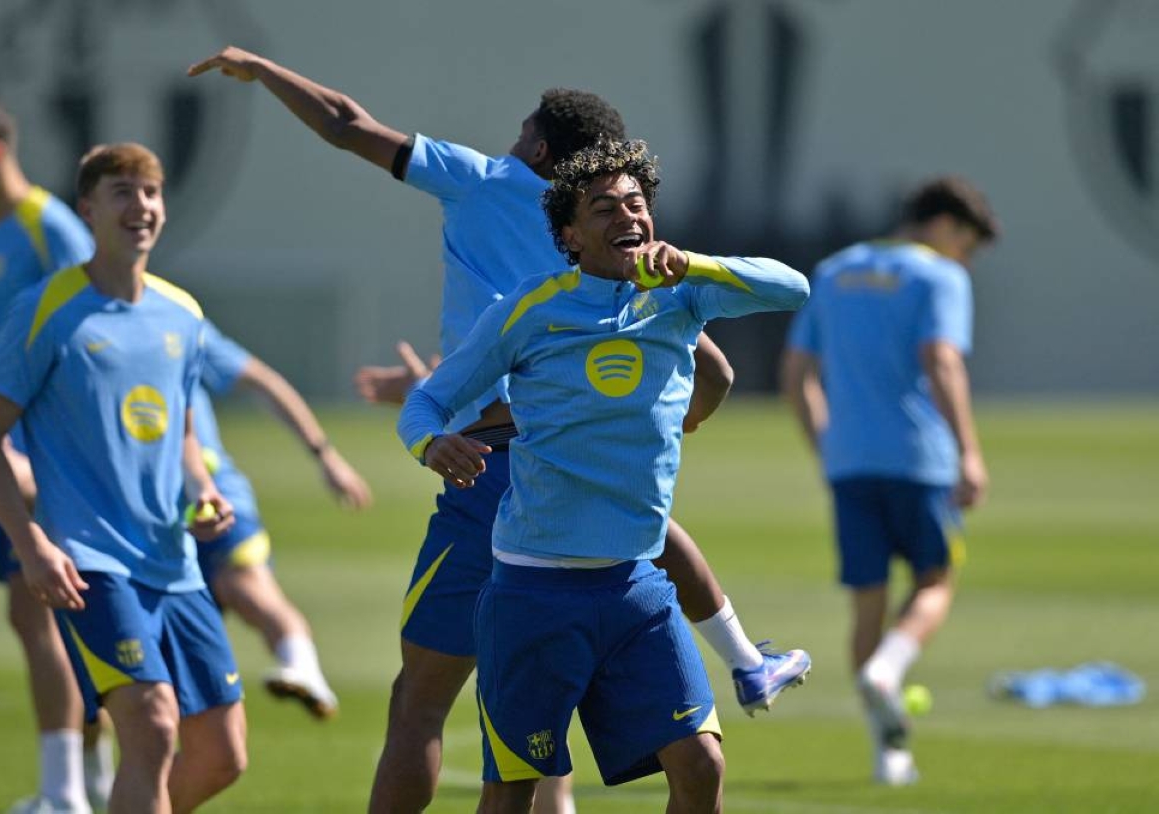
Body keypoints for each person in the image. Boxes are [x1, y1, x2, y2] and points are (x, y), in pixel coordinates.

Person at [190, 47, 811, 813]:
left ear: (541, 148)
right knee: (607, 590)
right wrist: (667, 421)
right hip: (546, 487)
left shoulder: (483, 181)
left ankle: (743, 661)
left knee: (424, 702)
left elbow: (346, 123)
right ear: (575, 223)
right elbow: (715, 370)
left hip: (493, 463)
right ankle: (745, 658)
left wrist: (262, 68)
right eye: (608, 204)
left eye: (523, 131)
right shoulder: (638, 286)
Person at [399, 138, 809, 812]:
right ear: (569, 235)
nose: (627, 216)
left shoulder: (680, 297)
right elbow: (427, 403)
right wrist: (430, 443)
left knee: (701, 765)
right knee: (511, 795)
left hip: (635, 588)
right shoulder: (531, 310)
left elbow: (792, 287)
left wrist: (694, 263)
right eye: (603, 208)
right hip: (532, 592)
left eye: (636, 203)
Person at [0, 142, 248, 814]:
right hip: (90, 563)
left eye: (150, 193)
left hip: (175, 563)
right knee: (151, 727)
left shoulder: (183, 313)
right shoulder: (46, 309)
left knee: (221, 754)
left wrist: (203, 491)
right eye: (122, 192)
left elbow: (182, 431)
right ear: (87, 210)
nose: (140, 206)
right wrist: (32, 544)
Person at [780, 176, 999, 786]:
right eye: (967, 245)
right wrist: (969, 452)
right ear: (947, 226)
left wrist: (826, 447)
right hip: (919, 458)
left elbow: (796, 372)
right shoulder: (939, 276)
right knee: (935, 579)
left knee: (867, 606)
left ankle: (890, 755)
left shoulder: (834, 271)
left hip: (849, 462)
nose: (965, 260)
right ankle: (889, 669)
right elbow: (941, 359)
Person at [0, 93, 114, 814]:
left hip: (43, 457)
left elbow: (102, 318)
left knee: (45, 610)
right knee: (37, 617)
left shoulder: (46, 224)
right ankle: (93, 779)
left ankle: (66, 793)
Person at [190, 319, 373, 719]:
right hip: (136, 515)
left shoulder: (175, 315)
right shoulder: (65, 319)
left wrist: (325, 455)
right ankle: (83, 758)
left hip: (214, 496)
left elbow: (263, 381)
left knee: (244, 583)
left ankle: (302, 665)